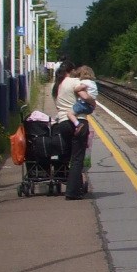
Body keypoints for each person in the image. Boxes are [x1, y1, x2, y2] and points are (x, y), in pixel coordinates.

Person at [55, 66, 92, 199]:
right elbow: (84, 95)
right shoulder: (74, 81)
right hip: (78, 121)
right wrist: (93, 102)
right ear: (70, 71)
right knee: (77, 159)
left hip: (63, 122)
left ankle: (70, 184)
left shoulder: (59, 85)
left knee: (68, 156)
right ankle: (72, 192)